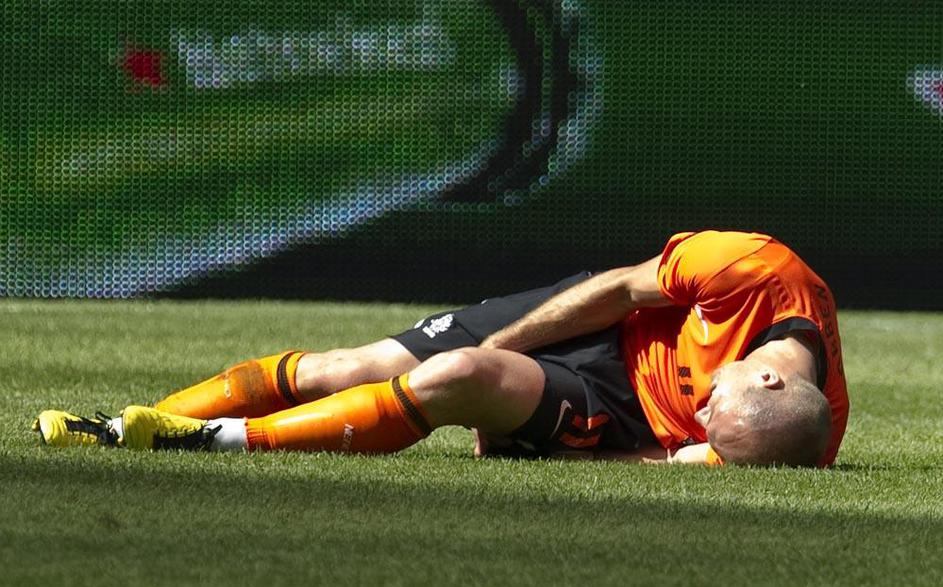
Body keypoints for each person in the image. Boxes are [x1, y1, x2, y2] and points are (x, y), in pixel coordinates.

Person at [33, 230, 849, 467]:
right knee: (345, 367)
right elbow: (612, 290)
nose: (701, 414)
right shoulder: (748, 267)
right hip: (594, 323)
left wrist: (544, 444)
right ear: (770, 377)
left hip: (615, 408)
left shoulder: (779, 440)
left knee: (456, 377)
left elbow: (667, 460)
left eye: (710, 429)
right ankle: (116, 426)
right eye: (713, 405)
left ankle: (202, 439)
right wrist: (502, 339)